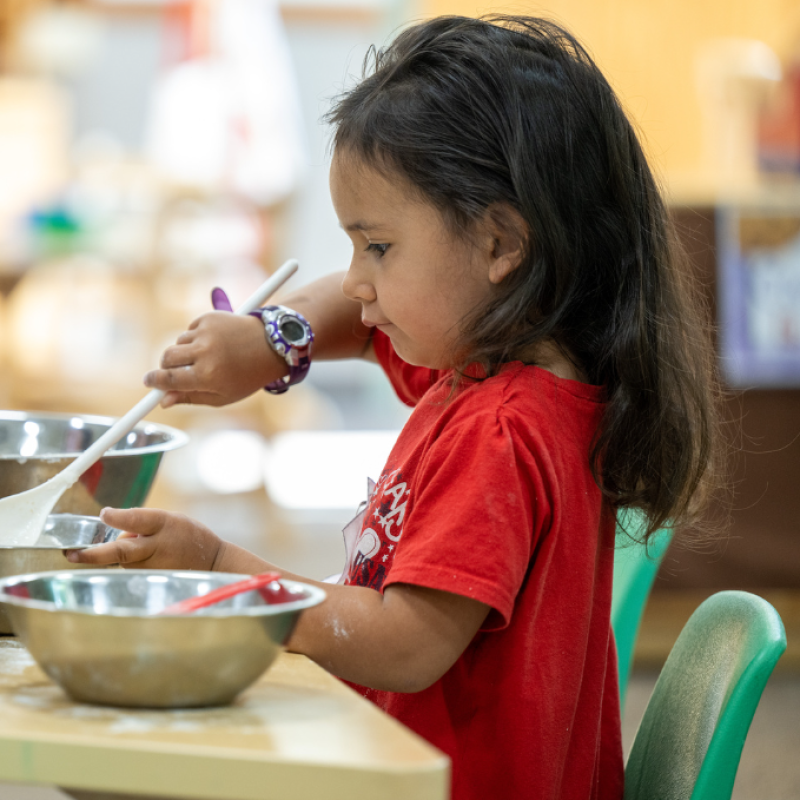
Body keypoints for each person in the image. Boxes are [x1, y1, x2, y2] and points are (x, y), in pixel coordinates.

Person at [69, 15, 722, 800]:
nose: (354, 281)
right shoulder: (498, 372)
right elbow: (356, 320)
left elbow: (405, 645)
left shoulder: (501, 430)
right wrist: (273, 339)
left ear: (499, 245)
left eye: (377, 246)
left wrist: (220, 568)